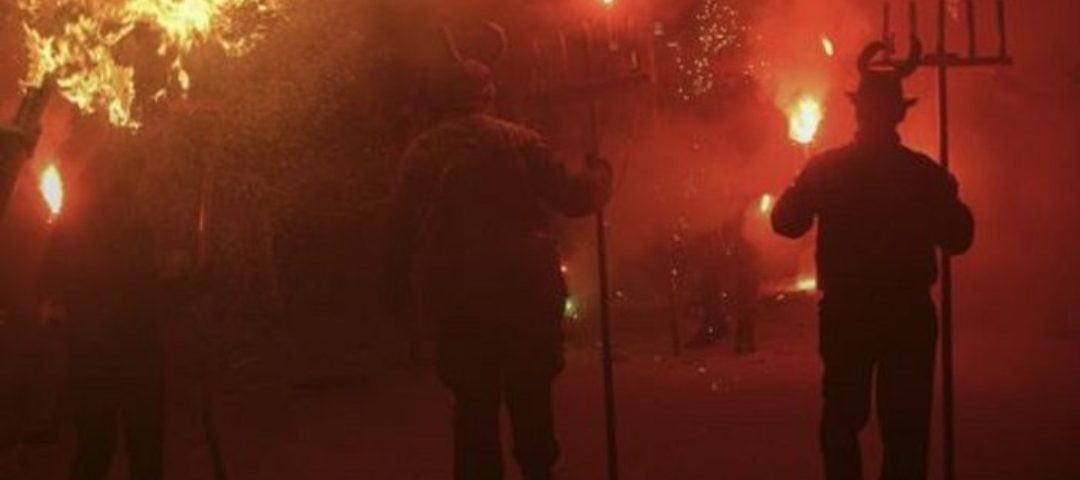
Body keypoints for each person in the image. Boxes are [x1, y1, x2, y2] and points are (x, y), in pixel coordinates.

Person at [385, 53, 612, 480]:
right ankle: (537, 470)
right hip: (524, 294)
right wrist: (600, 174)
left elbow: (398, 231)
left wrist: (395, 296)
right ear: (487, 95)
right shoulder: (520, 142)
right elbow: (574, 198)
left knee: (473, 407)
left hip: (458, 300)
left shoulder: (422, 153)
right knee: (531, 396)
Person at [771, 38, 974, 480]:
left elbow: (785, 222)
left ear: (858, 112)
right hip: (906, 315)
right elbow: (958, 238)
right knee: (906, 428)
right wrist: (949, 195)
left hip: (848, 314)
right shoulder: (922, 173)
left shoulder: (827, 169)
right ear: (899, 113)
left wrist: (801, 185)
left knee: (842, 419)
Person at [41, 162, 169, 480]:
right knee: (115, 447)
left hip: (116, 355)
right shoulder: (128, 231)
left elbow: (48, 291)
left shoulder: (127, 231)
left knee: (121, 447)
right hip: (115, 356)